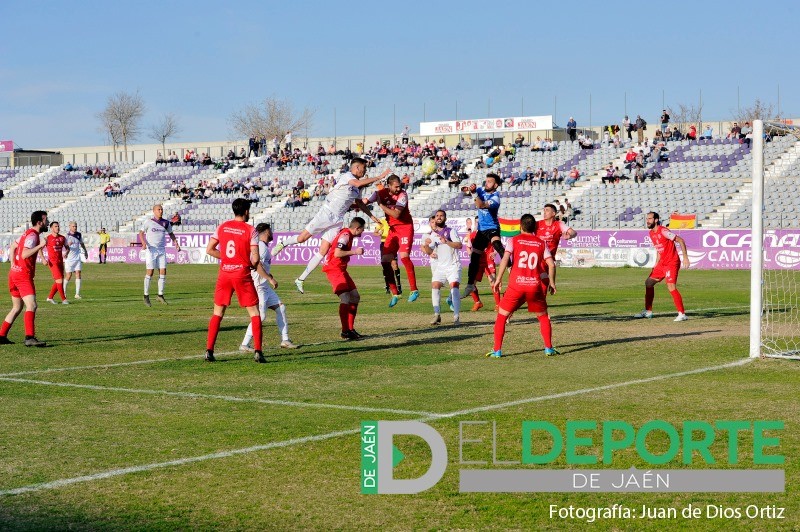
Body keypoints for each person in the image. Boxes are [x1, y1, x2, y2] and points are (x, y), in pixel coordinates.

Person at [270, 158, 390, 293]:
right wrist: (379, 177)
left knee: (323, 251)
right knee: (302, 238)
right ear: (356, 168)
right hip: (327, 213)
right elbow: (356, 183)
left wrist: (372, 216)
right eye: (364, 168)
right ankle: (282, 244)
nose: (365, 171)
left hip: (337, 219)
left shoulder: (357, 189)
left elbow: (359, 203)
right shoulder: (348, 176)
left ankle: (301, 279)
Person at [486, 214, 557, 358]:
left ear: (520, 226)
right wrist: (552, 282)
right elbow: (551, 264)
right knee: (543, 317)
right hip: (534, 286)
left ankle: (497, 350)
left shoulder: (514, 240)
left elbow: (505, 258)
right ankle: (548, 348)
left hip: (516, 286)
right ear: (535, 227)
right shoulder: (541, 243)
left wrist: (498, 279)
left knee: (502, 316)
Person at [204, 198, 266, 363]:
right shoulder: (250, 230)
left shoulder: (222, 226)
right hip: (241, 274)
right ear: (246, 211)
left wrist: (226, 259)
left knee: (218, 312)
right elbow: (255, 257)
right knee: (254, 313)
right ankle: (258, 351)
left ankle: (209, 351)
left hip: (224, 274)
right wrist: (251, 264)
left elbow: (210, 250)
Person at [239, 223, 298, 352]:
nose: (272, 233)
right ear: (266, 232)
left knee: (281, 308)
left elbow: (261, 267)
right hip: (258, 286)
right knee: (260, 316)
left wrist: (269, 276)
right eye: (270, 230)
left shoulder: (263, 246)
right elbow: (257, 265)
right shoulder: (260, 246)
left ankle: (285, 340)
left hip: (264, 286)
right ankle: (244, 344)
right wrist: (270, 278)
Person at [362, 174, 419, 306]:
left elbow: (396, 214)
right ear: (389, 185)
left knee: (404, 257)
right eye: (396, 186)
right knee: (384, 261)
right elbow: (365, 202)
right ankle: (395, 293)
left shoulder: (403, 195)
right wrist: (355, 204)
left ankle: (414, 290)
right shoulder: (379, 193)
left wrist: (381, 205)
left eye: (400, 186)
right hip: (392, 230)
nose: (399, 188)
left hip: (405, 227)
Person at [0, 210, 49, 347]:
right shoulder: (33, 236)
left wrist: (12, 265)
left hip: (14, 274)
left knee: (17, 307)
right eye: (46, 220)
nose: (48, 222)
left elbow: (13, 246)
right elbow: (25, 254)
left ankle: (1, 335)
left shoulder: (26, 233)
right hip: (23, 275)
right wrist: (41, 245)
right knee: (32, 305)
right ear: (39, 222)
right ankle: (29, 337)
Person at [634, 212, 691, 321]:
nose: (647, 221)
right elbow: (659, 249)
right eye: (647, 219)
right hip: (662, 263)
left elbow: (680, 240)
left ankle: (682, 314)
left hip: (671, 262)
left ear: (656, 220)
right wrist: (656, 264)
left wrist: (685, 257)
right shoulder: (651, 233)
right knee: (648, 283)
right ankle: (648, 311)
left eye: (650, 219)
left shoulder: (664, 231)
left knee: (671, 287)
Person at [322, 217, 367, 341]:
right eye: (362, 230)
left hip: (341, 269)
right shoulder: (346, 235)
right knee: (346, 298)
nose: (363, 232)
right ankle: (345, 331)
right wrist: (355, 252)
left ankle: (350, 329)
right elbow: (337, 253)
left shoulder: (347, 234)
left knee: (355, 297)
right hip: (334, 268)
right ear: (357, 228)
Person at [461, 173, 504, 299]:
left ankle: (511, 268)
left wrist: (473, 193)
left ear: (495, 185)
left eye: (490, 181)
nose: (487, 183)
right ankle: (469, 285)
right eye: (486, 180)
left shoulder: (495, 197)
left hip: (492, 228)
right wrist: (467, 189)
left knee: (497, 245)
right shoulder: (480, 190)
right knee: (474, 257)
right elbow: (467, 192)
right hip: (481, 230)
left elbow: (480, 205)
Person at [421, 210, 462, 326]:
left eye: (441, 216)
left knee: (454, 288)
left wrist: (447, 241)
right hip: (440, 266)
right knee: (435, 286)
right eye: (437, 216)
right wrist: (426, 245)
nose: (439, 217)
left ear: (445, 218)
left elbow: (459, 245)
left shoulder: (451, 231)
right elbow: (430, 252)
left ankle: (456, 316)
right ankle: (437, 315)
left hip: (453, 265)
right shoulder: (433, 235)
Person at [138, 204, 181, 306]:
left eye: (161, 209)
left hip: (161, 250)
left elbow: (171, 233)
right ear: (154, 211)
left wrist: (176, 243)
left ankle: (160, 295)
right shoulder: (149, 222)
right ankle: (146, 296)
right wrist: (143, 243)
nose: (161, 211)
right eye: (159, 209)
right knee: (150, 272)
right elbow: (140, 232)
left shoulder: (166, 223)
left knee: (163, 271)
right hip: (151, 250)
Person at [374, 217, 402, 295]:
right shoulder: (382, 221)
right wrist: (379, 233)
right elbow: (374, 232)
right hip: (384, 244)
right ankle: (387, 286)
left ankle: (399, 286)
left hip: (392, 243)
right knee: (386, 265)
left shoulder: (395, 221)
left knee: (394, 264)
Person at [43, 222, 69, 304]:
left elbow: (68, 248)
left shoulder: (62, 238)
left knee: (58, 280)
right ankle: (64, 299)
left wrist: (66, 253)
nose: (58, 228)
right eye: (55, 226)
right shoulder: (47, 238)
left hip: (60, 261)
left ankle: (50, 297)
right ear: (51, 228)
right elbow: (40, 248)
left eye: (58, 226)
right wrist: (43, 259)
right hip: (52, 262)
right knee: (60, 280)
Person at [64, 221, 88, 299]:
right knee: (69, 275)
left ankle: (77, 294)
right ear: (70, 227)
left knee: (78, 273)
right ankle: (63, 292)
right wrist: (68, 246)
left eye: (76, 226)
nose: (75, 228)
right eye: (73, 226)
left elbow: (81, 243)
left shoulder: (79, 234)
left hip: (77, 258)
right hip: (69, 259)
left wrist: (85, 251)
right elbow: (64, 247)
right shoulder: (67, 236)